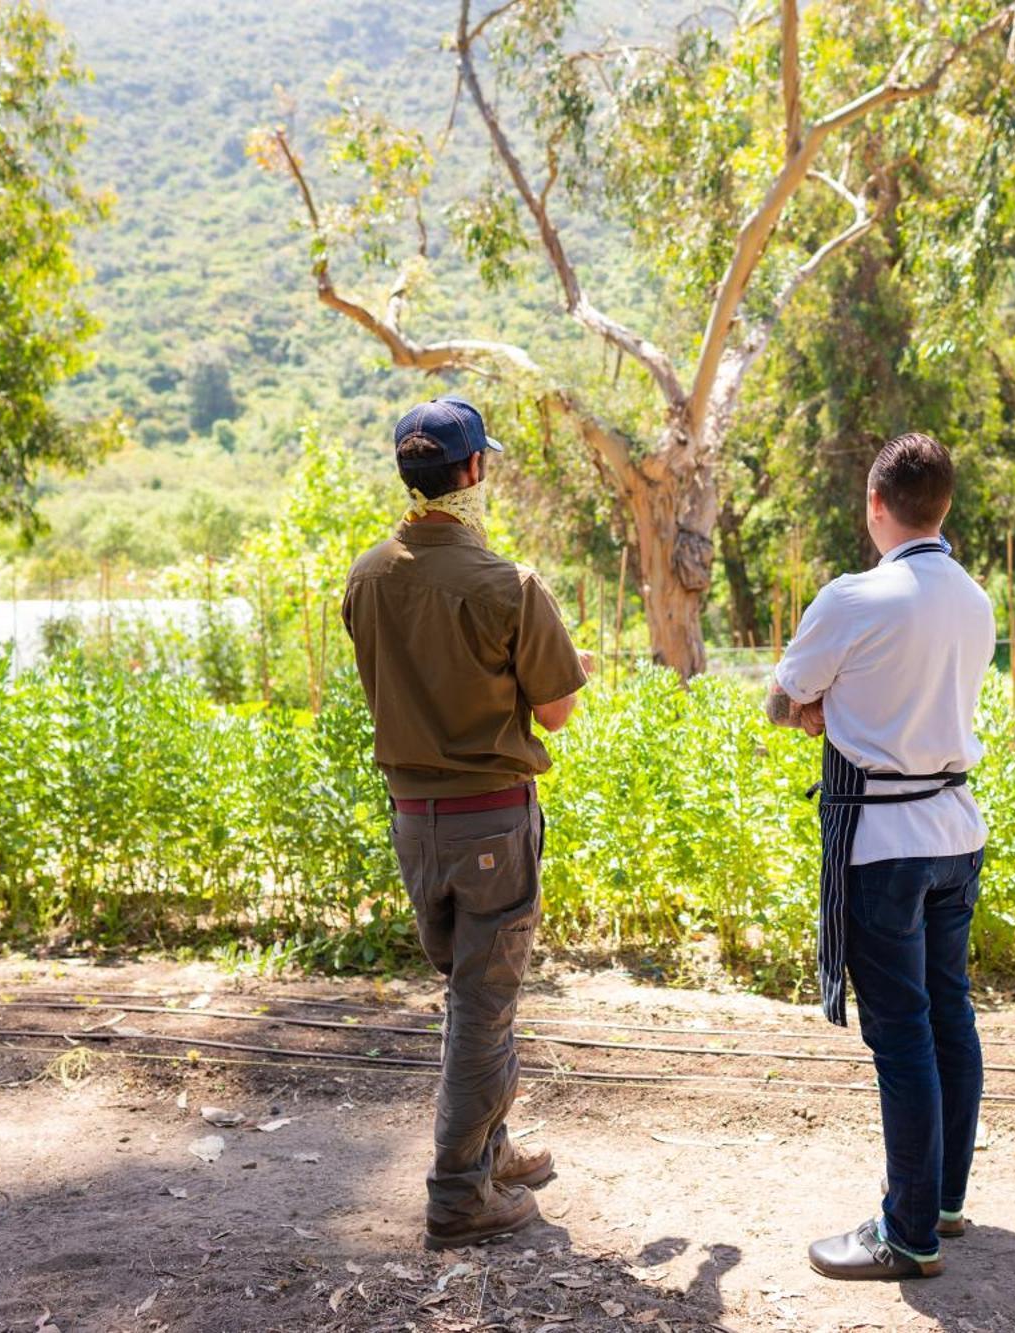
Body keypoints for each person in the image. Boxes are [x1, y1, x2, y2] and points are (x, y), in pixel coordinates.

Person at [341, 395, 590, 1250]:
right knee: (485, 1006)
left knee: (473, 994)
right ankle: (458, 1192)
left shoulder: (367, 575)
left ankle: (491, 1149)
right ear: (473, 470)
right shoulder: (507, 583)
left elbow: (414, 678)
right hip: (492, 819)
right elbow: (553, 710)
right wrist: (563, 664)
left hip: (416, 822)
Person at [766, 433, 996, 1281]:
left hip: (883, 844)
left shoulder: (853, 596)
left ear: (874, 504)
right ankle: (942, 1199)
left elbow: (786, 697)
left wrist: (812, 709)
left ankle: (906, 1234)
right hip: (956, 830)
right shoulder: (975, 599)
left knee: (900, 1036)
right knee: (949, 1015)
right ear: (943, 506)